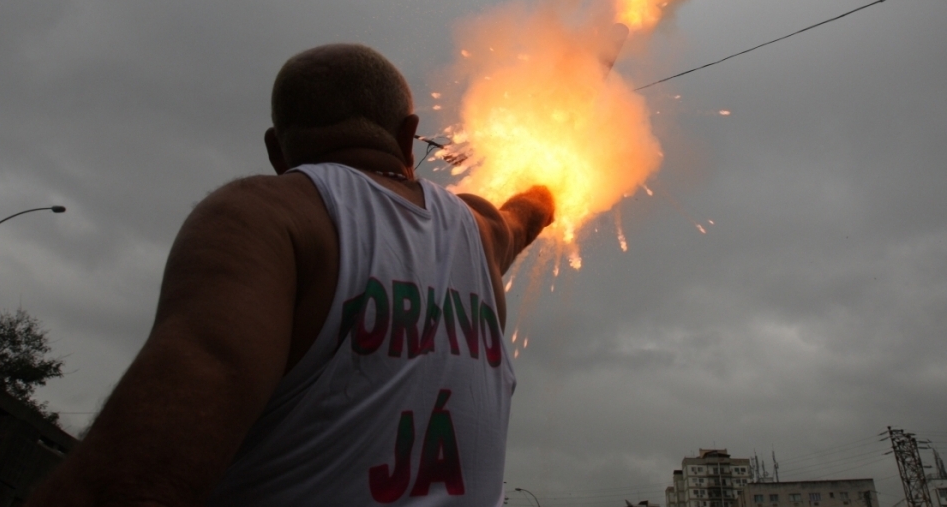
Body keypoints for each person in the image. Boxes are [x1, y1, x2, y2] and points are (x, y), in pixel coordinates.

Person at [28, 44, 555, 506]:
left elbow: (133, 482)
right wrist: (544, 191)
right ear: (409, 135)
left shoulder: (264, 214)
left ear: (276, 147)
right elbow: (524, 216)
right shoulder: (480, 231)